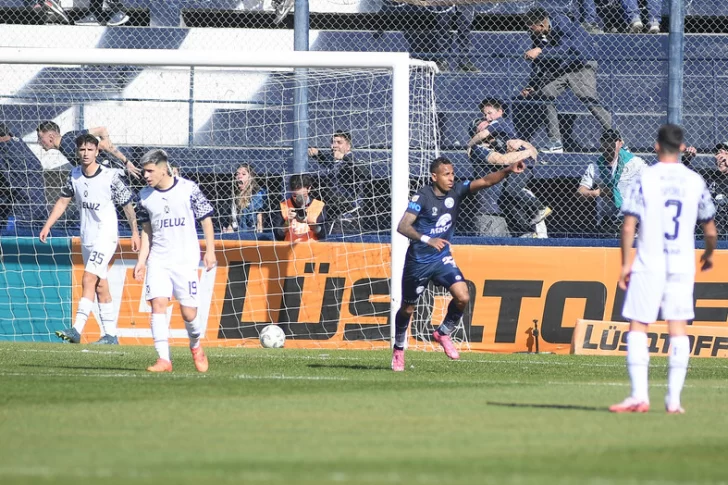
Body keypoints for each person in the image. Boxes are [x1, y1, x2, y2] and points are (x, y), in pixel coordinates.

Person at [610, 124, 717, 414]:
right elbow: (710, 230)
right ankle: (674, 401)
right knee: (678, 328)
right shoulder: (694, 180)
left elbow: (629, 226)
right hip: (681, 262)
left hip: (650, 261)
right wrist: (708, 255)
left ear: (656, 146)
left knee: (638, 325)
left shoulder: (645, 177)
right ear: (682, 147)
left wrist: (625, 263)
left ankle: (639, 396)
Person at [391, 156, 525, 371]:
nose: (451, 178)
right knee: (407, 309)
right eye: (446, 174)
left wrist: (508, 169)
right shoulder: (422, 197)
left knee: (463, 296)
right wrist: (428, 239)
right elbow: (403, 226)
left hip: (441, 258)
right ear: (434, 177)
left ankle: (443, 332)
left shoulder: (456, 191)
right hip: (419, 261)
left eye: (452, 174)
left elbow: (486, 181)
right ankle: (398, 349)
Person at [40, 134, 140, 345]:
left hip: (106, 235)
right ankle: (111, 335)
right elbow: (62, 201)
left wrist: (135, 232)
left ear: (97, 151)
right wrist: (48, 225)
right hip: (87, 236)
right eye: (82, 150)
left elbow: (127, 205)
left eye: (90, 149)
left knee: (88, 278)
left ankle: (76, 329)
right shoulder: (74, 175)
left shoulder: (110, 176)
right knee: (100, 285)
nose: (86, 153)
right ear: (77, 152)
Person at [133, 149, 216, 373]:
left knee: (189, 313)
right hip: (159, 259)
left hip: (185, 259)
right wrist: (141, 261)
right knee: (157, 304)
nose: (146, 175)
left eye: (150, 171)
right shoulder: (144, 196)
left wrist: (210, 251)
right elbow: (147, 231)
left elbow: (206, 219)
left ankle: (196, 345)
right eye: (144, 171)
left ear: (163, 169)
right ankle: (164, 359)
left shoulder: (189, 189)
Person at [520, 7, 613, 153]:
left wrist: (541, 51)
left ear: (541, 25)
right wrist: (532, 85)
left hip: (581, 64)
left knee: (589, 99)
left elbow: (566, 49)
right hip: (563, 68)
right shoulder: (537, 35)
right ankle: (555, 142)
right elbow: (538, 62)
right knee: (546, 94)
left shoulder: (562, 22)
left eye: (531, 28)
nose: (529, 31)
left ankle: (616, 137)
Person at [468, 98, 550, 237]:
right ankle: (531, 222)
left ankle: (536, 213)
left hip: (521, 166)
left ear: (500, 112)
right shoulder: (480, 148)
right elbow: (502, 159)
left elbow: (527, 152)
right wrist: (528, 151)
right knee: (509, 194)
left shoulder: (499, 129)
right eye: (484, 120)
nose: (487, 120)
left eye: (489, 114)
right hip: (492, 209)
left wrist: (526, 146)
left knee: (511, 192)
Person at [577, 129, 647, 235]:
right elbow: (580, 192)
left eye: (612, 140)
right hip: (606, 220)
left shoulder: (634, 163)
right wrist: (598, 192)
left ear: (620, 144)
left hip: (631, 218)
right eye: (605, 140)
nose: (608, 144)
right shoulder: (594, 167)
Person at [308, 131, 370, 233]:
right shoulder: (332, 161)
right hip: (333, 208)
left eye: (339, 142)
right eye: (333, 142)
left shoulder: (353, 161)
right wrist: (317, 154)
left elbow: (365, 172)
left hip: (350, 210)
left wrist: (344, 157)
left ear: (348, 146)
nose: (335, 145)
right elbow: (324, 159)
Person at [36, 121, 140, 179]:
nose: (38, 141)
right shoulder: (69, 136)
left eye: (40, 137)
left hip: (109, 175)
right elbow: (101, 130)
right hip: (110, 171)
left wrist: (126, 162)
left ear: (51, 137)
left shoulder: (67, 146)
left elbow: (103, 145)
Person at [0, 122, 48, 232]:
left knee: (18, 238)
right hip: (38, 205)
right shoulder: (17, 142)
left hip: (24, 208)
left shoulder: (7, 151)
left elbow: (12, 183)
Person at [271, 174, 326, 242]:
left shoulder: (318, 206)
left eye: (303, 196)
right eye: (295, 196)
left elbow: (323, 234)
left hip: (312, 247)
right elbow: (278, 236)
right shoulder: (283, 206)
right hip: (290, 247)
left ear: (309, 189)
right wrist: (288, 222)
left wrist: (309, 222)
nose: (299, 200)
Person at [223, 163, 266, 234]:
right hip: (237, 233)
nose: (239, 176)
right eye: (237, 174)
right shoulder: (233, 196)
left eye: (243, 174)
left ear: (251, 177)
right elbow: (232, 220)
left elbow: (260, 222)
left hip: (252, 234)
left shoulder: (258, 194)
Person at [697, 142, 728, 237]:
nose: (721, 157)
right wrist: (687, 159)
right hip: (708, 234)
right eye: (718, 153)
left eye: (726, 153)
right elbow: (688, 175)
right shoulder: (710, 175)